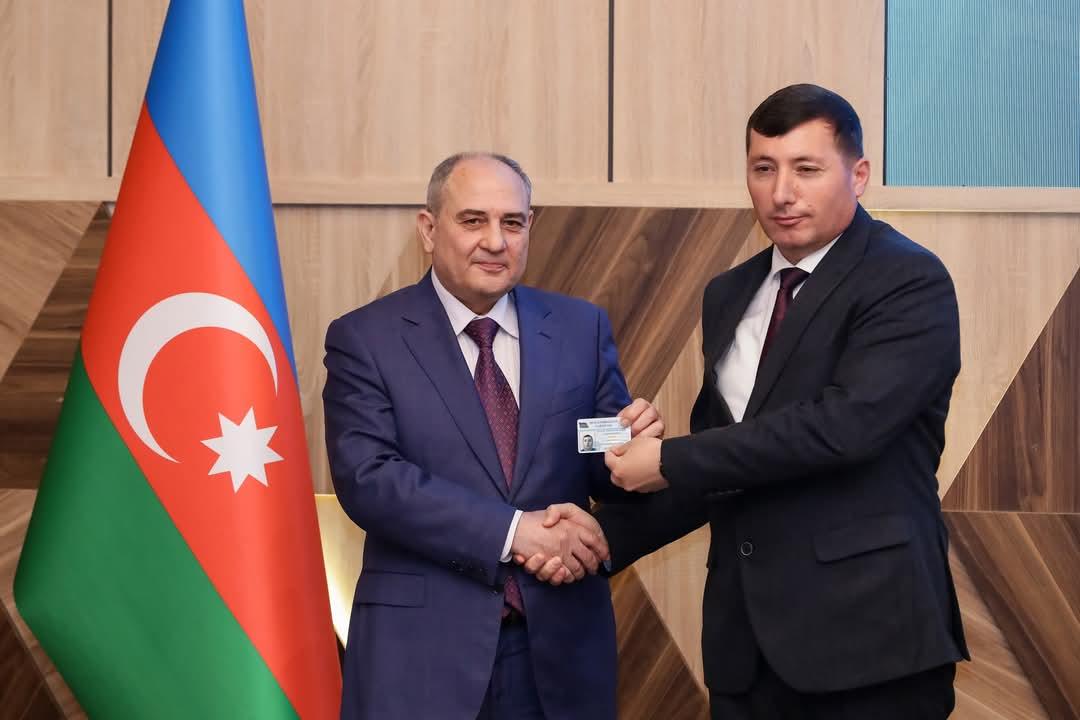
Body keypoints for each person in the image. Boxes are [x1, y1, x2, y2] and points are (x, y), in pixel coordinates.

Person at [532, 84, 969, 719]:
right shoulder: (729, 293)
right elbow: (722, 466)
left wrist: (668, 458)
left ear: (859, 175)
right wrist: (601, 536)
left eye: (806, 169)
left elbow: (843, 428)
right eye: (764, 169)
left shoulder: (906, 278)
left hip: (869, 643)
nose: (781, 192)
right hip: (745, 652)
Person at [323, 152, 660, 720]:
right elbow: (370, 479)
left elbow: (595, 453)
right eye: (473, 220)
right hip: (423, 655)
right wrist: (513, 532)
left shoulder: (579, 327)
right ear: (429, 229)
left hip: (558, 653)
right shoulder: (365, 338)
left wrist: (633, 449)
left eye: (513, 222)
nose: (496, 241)